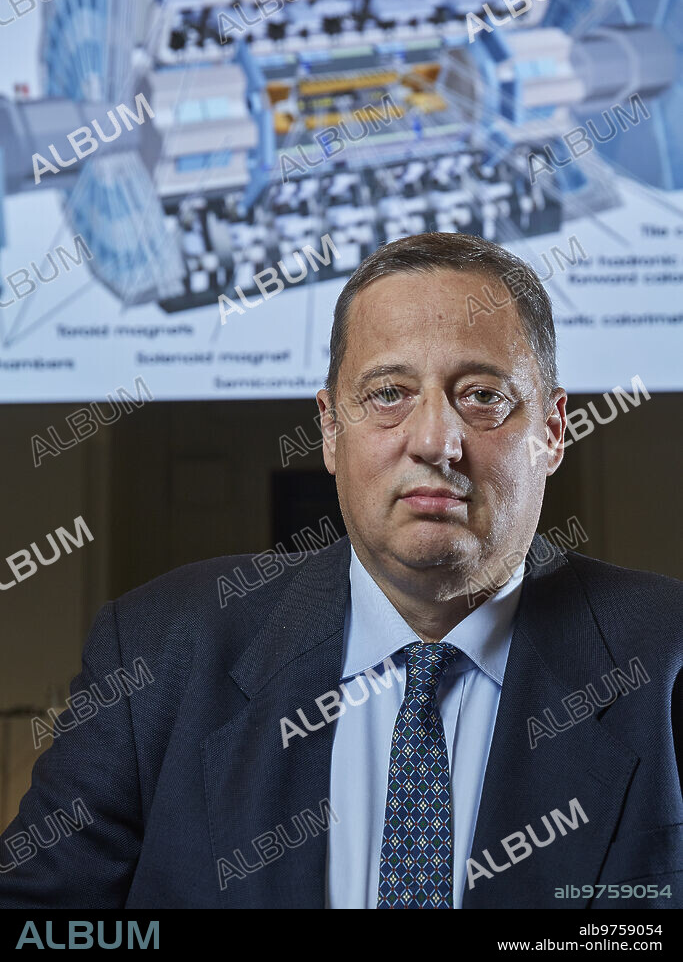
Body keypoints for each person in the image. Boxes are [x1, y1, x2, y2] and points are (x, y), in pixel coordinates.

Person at [1, 232, 680, 909]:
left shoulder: (668, 660)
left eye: (480, 395)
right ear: (329, 430)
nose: (435, 441)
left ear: (552, 430)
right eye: (388, 392)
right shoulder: (155, 653)